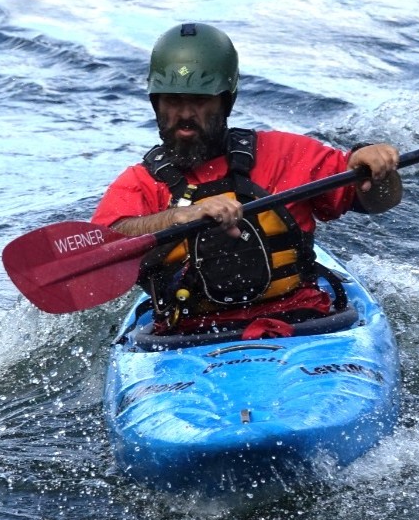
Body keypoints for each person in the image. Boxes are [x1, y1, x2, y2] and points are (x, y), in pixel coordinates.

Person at [91, 22, 402, 334]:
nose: (184, 115)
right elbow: (100, 254)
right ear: (155, 102)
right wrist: (180, 217)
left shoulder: (285, 153)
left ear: (226, 100)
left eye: (199, 101)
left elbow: (378, 201)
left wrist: (377, 169)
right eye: (172, 100)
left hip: (304, 324)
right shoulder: (139, 182)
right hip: (188, 337)